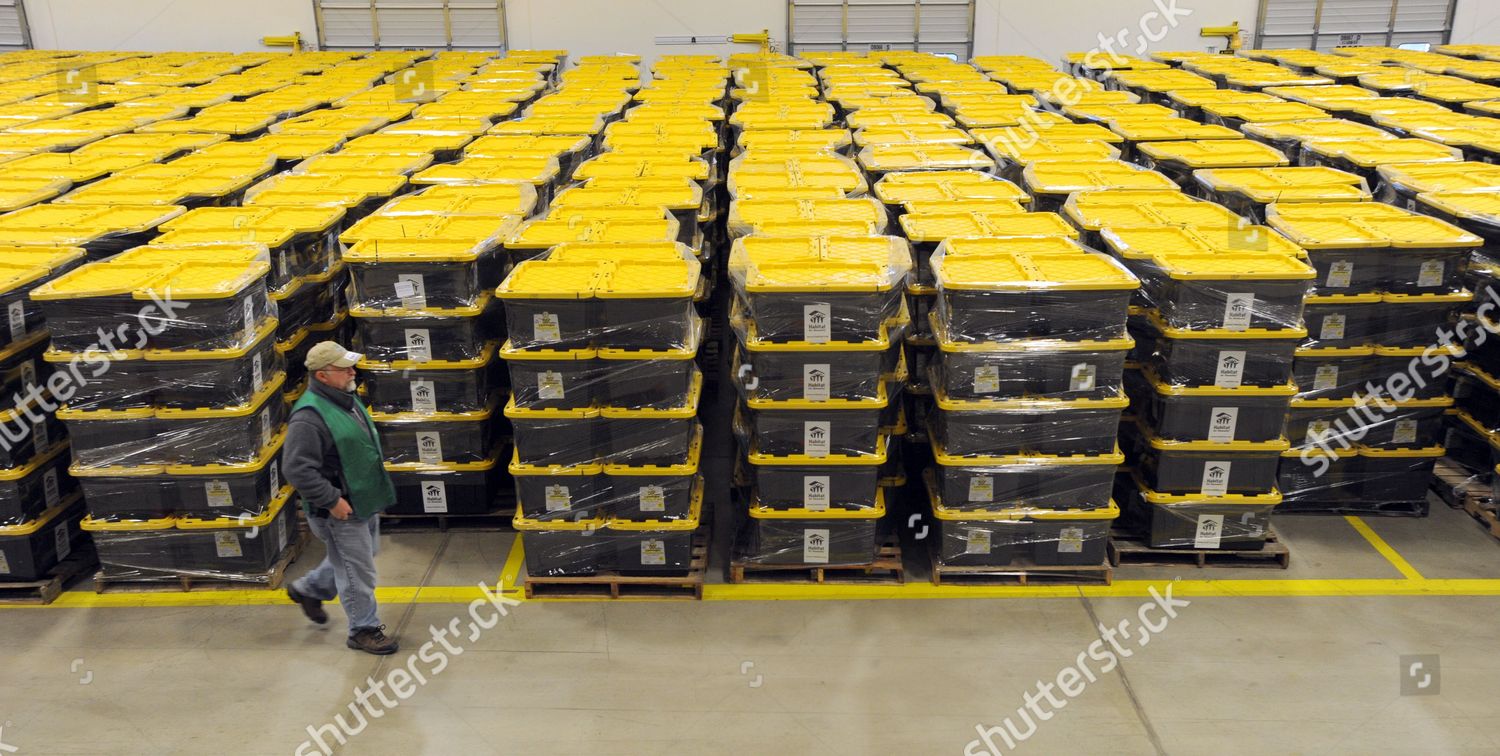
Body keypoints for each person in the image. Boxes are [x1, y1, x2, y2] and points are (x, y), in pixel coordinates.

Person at [283, 341, 400, 655]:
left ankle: (309, 589)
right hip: (339, 509)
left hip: (362, 497)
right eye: (344, 368)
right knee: (356, 569)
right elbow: (296, 468)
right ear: (322, 376)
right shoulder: (309, 418)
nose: (352, 371)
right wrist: (332, 500)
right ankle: (363, 629)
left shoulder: (342, 397)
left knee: (360, 556)